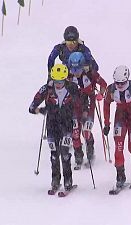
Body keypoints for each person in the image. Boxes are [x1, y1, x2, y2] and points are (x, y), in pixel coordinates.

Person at [29, 64, 83, 192]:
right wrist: (39, 109)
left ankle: (68, 181)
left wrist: (80, 115)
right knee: (54, 154)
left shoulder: (73, 87)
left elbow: (81, 103)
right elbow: (32, 106)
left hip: (66, 124)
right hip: (52, 125)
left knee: (65, 153)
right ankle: (55, 180)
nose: (58, 84)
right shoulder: (46, 88)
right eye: (55, 81)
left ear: (65, 79)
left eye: (61, 81)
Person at [66, 52, 107, 170]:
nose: (76, 72)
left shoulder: (91, 73)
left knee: (86, 131)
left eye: (78, 69)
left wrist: (101, 94)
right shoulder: (67, 75)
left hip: (89, 105)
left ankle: (90, 153)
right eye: (73, 69)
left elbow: (103, 84)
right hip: (74, 107)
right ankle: (78, 156)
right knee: (75, 132)